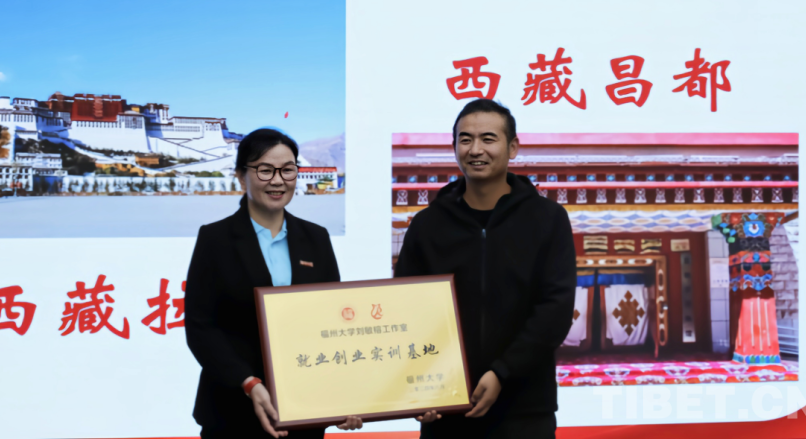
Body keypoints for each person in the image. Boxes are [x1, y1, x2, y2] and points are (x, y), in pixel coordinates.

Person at [394, 99, 576, 439]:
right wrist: (417, 387)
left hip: (525, 410)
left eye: (488, 139)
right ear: (454, 147)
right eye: (465, 139)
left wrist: (502, 372)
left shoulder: (547, 219)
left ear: (513, 147)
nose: (475, 149)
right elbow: (406, 310)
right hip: (446, 407)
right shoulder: (427, 225)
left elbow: (555, 309)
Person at [185, 128, 363, 439]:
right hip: (232, 411)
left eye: (288, 170)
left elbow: (332, 323)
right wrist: (247, 382)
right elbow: (201, 327)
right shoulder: (215, 239)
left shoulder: (316, 238)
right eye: (265, 170)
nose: (278, 180)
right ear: (241, 177)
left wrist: (342, 393)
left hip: (305, 412)